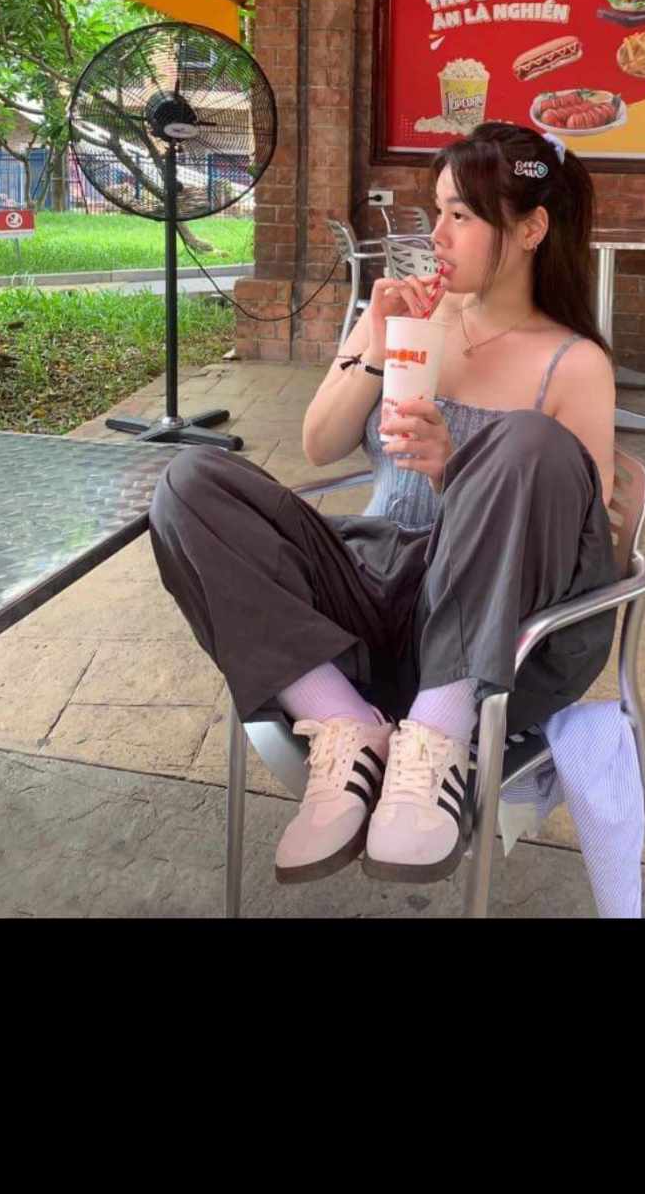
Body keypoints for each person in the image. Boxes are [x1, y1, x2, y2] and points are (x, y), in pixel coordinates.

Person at [148, 121, 617, 888]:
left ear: (531, 229)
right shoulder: (413, 321)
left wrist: (454, 472)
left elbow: (580, 537)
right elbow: (320, 444)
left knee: (528, 441)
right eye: (436, 210)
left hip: (493, 635)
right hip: (369, 600)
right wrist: (376, 337)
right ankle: (344, 726)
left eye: (461, 215)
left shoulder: (573, 363)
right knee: (189, 481)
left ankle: (437, 735)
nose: (437, 234)